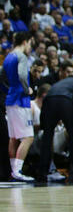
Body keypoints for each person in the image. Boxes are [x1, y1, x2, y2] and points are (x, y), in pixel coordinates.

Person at [37, 61, 73, 182]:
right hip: (66, 101)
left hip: (49, 100)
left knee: (47, 137)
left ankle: (42, 173)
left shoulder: (59, 83)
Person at [4, 32, 36, 181]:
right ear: (25, 42)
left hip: (10, 99)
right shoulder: (21, 56)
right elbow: (23, 75)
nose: (30, 47)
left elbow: (2, 76)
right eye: (30, 43)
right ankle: (17, 171)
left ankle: (13, 171)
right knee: (28, 137)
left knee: (13, 137)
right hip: (20, 100)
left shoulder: (8, 56)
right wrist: (27, 89)